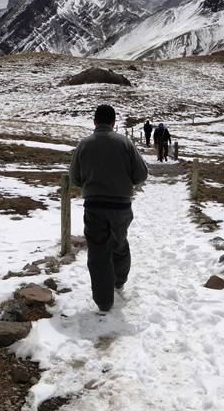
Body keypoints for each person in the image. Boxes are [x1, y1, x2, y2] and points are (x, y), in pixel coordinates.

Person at [69, 104, 148, 314]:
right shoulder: (125, 142)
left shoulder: (84, 144)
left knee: (97, 250)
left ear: (95, 122)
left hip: (93, 205)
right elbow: (141, 174)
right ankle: (119, 281)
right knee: (119, 243)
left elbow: (75, 177)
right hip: (121, 205)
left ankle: (104, 302)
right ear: (113, 122)